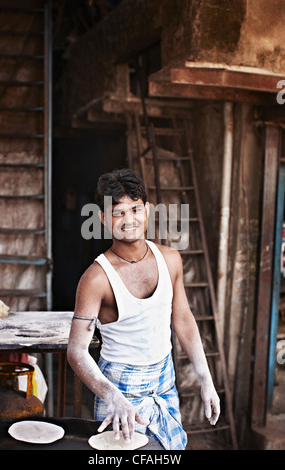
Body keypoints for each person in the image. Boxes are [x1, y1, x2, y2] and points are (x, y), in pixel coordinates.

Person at [67, 168, 220, 450]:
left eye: (135, 210)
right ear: (102, 218)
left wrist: (205, 379)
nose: (129, 220)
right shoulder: (96, 278)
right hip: (119, 394)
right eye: (118, 212)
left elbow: (184, 320)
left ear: (148, 210)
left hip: (164, 387)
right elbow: (76, 351)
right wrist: (111, 395)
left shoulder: (171, 259)